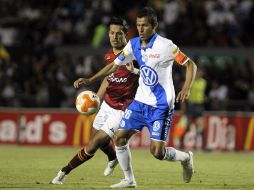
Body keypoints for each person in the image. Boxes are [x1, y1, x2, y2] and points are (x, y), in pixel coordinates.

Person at [74, 7, 197, 188]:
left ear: (154, 26)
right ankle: (129, 180)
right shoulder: (133, 44)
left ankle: (186, 158)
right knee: (120, 138)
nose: (140, 29)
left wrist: (186, 88)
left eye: (144, 25)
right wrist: (90, 79)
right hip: (139, 103)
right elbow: (113, 66)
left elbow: (190, 65)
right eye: (138, 25)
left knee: (157, 152)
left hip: (161, 107)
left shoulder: (166, 46)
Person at [50, 17, 139, 185]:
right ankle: (113, 157)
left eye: (119, 33)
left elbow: (149, 71)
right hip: (107, 103)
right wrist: (97, 98)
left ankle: (63, 172)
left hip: (122, 109)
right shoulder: (108, 55)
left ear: (126, 34)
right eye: (112, 33)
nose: (114, 37)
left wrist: (136, 71)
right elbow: (108, 78)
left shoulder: (134, 53)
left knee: (94, 143)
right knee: (96, 134)